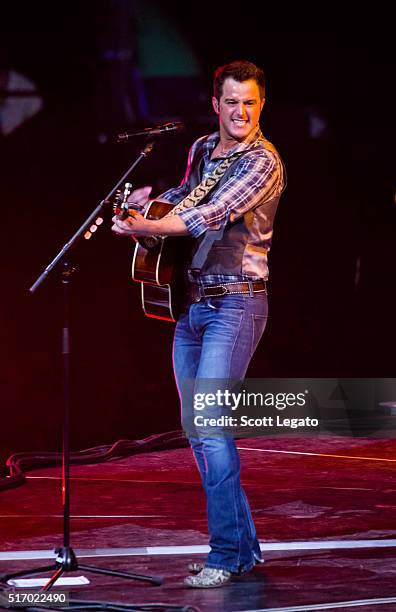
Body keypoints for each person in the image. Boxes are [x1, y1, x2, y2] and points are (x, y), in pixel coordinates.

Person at [112, 60, 286, 588]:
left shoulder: (263, 161)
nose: (240, 111)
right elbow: (190, 195)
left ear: (261, 105)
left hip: (236, 304)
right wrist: (152, 204)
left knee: (211, 429)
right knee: (197, 430)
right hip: (190, 305)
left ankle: (226, 554)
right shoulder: (203, 150)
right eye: (231, 101)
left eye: (250, 102)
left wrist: (156, 223)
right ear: (216, 105)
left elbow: (210, 215)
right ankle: (244, 547)